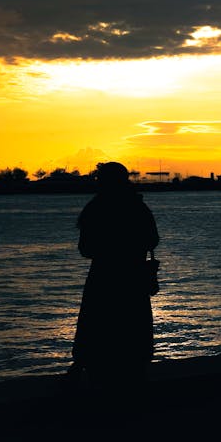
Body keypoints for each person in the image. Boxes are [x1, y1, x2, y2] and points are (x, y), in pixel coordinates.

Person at [71, 161, 160, 388]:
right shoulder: (138, 207)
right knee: (134, 329)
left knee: (97, 326)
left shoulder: (96, 208)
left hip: (104, 277)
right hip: (133, 277)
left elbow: (86, 249)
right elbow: (152, 240)